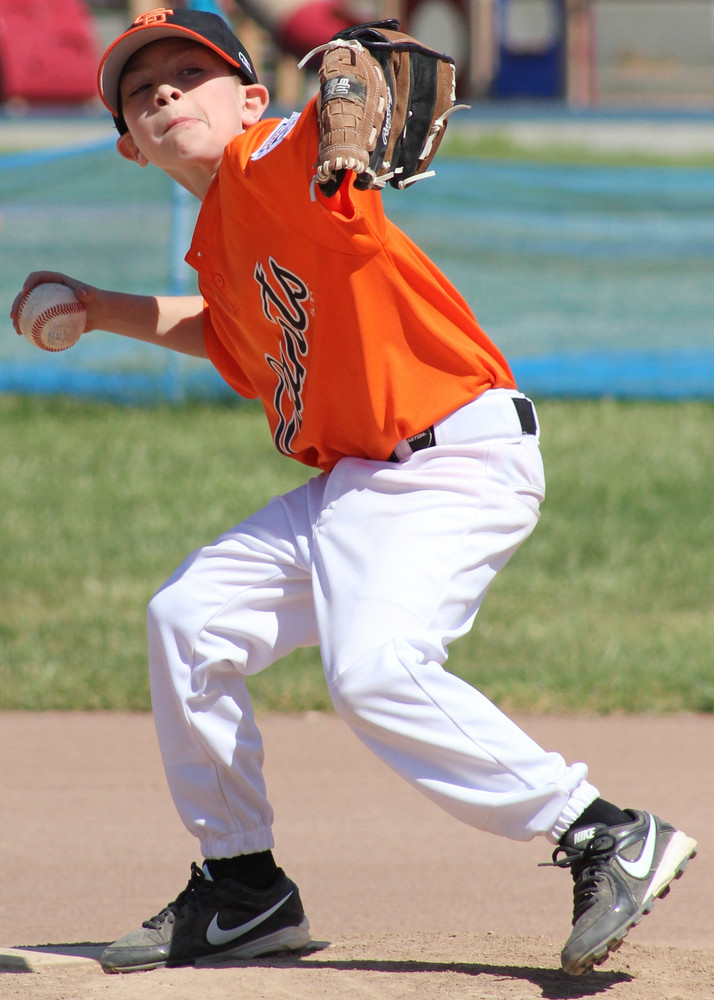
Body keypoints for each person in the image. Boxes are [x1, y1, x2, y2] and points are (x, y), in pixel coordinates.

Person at [12, 6, 696, 978]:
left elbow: (346, 75)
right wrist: (97, 308)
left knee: (374, 670)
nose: (163, 89)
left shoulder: (272, 158)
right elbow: (228, 335)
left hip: (450, 456)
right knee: (189, 618)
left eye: (189, 73)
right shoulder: (221, 239)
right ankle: (243, 888)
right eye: (140, 88)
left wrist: (345, 65)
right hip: (361, 481)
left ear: (250, 100)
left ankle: (601, 830)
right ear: (130, 144)